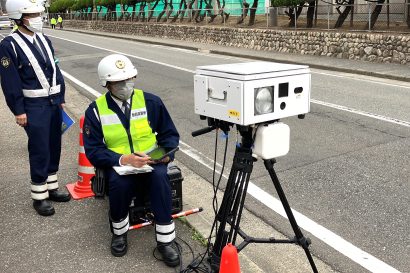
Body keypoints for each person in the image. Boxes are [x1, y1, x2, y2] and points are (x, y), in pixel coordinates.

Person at [83, 54, 181, 267]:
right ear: (107, 84)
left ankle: (166, 241)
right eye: (119, 81)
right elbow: (93, 150)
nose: (125, 85)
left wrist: (165, 154)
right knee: (118, 186)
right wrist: (122, 159)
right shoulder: (95, 110)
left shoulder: (151, 101)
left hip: (151, 162)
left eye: (129, 79)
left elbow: (170, 135)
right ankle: (119, 233)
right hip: (120, 166)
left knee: (161, 181)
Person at [0, 0, 71, 217]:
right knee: (40, 148)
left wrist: (61, 97)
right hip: (33, 107)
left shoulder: (44, 39)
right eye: (33, 14)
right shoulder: (8, 45)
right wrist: (18, 110)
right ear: (19, 17)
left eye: (38, 13)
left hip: (52, 103)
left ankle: (52, 186)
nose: (38, 17)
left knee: (54, 144)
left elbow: (55, 69)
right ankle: (39, 195)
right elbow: (10, 82)